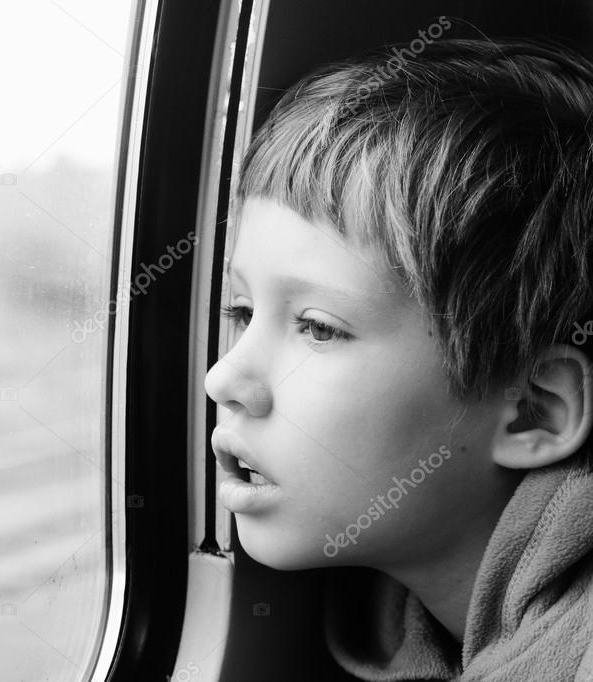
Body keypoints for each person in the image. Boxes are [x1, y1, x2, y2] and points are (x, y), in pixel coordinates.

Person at [204, 37, 593, 680]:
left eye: (317, 329)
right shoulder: (388, 626)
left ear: (532, 412)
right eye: (242, 313)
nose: (225, 379)